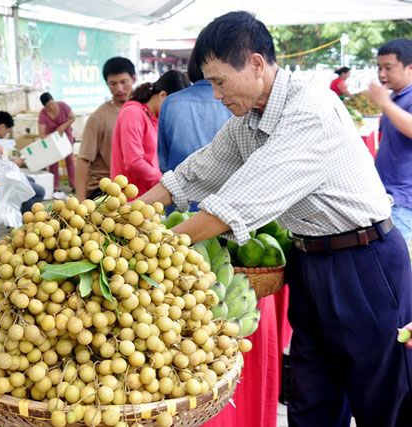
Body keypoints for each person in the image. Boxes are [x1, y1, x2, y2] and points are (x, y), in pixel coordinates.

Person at [140, 12, 412, 427]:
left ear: (254, 64)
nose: (215, 95)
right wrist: (130, 213)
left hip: (365, 263)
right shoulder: (249, 119)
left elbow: (233, 204)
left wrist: (150, 247)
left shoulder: (310, 110)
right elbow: (196, 172)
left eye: (218, 81)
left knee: (382, 402)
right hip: (310, 261)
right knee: (311, 397)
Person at [157, 53, 231, 212]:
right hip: (221, 205)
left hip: (178, 200)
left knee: (174, 236)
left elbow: (163, 162)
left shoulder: (171, 102)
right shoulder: (230, 101)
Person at [110, 70, 189, 197]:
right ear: (163, 95)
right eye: (176, 106)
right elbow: (133, 162)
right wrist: (165, 182)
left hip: (149, 196)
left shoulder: (155, 118)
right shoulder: (133, 114)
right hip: (130, 199)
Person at [368, 39, 412, 250]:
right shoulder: (395, 98)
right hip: (387, 196)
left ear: (410, 68)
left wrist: (384, 103)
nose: (381, 74)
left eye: (388, 68)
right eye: (379, 67)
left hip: (404, 201)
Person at [76, 57, 136, 201]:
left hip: (134, 189)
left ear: (133, 79)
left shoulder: (142, 110)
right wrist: (81, 201)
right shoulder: (98, 118)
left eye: (123, 82)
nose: (119, 88)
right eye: (113, 84)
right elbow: (83, 159)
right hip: (104, 190)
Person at [0, 111, 45, 213]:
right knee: (40, 192)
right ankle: (22, 216)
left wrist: (10, 161)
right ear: (2, 127)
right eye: (7, 131)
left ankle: (22, 209)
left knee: (31, 180)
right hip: (1, 181)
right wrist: (13, 164)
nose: (6, 134)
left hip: (5, 176)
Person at [37, 92, 75, 191]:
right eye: (48, 106)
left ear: (54, 100)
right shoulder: (43, 114)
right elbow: (42, 134)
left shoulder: (63, 106)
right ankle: (55, 186)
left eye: (52, 103)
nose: (51, 107)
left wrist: (63, 126)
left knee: (69, 159)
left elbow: (72, 118)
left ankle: (74, 184)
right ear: (44, 106)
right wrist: (52, 137)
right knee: (53, 161)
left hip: (65, 135)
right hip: (52, 138)